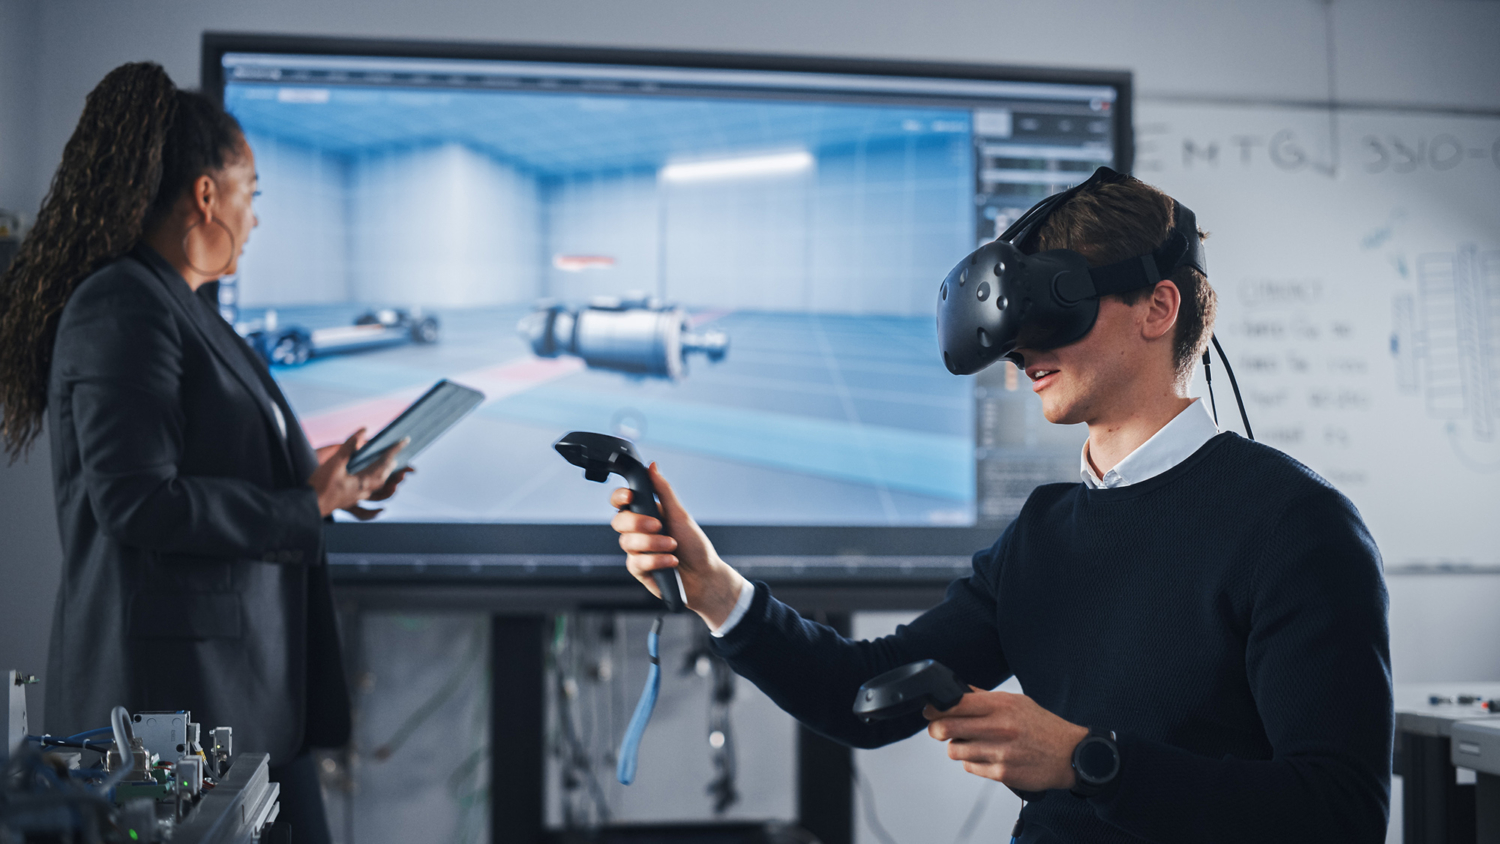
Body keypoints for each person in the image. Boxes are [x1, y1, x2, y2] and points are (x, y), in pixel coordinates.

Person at [609, 173, 1392, 841]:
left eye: (1054, 309)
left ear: (1159, 309)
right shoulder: (1045, 535)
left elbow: (1338, 812)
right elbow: (865, 694)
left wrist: (1089, 760)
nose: (1021, 349)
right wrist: (714, 591)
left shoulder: (1294, 525)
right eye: (1011, 328)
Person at [0, 63, 408, 843]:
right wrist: (305, 507)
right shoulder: (122, 304)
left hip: (236, 705)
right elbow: (136, 499)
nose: (255, 218)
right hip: (167, 720)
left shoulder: (180, 307)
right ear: (206, 195)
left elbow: (199, 460)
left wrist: (319, 480)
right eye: (250, 192)